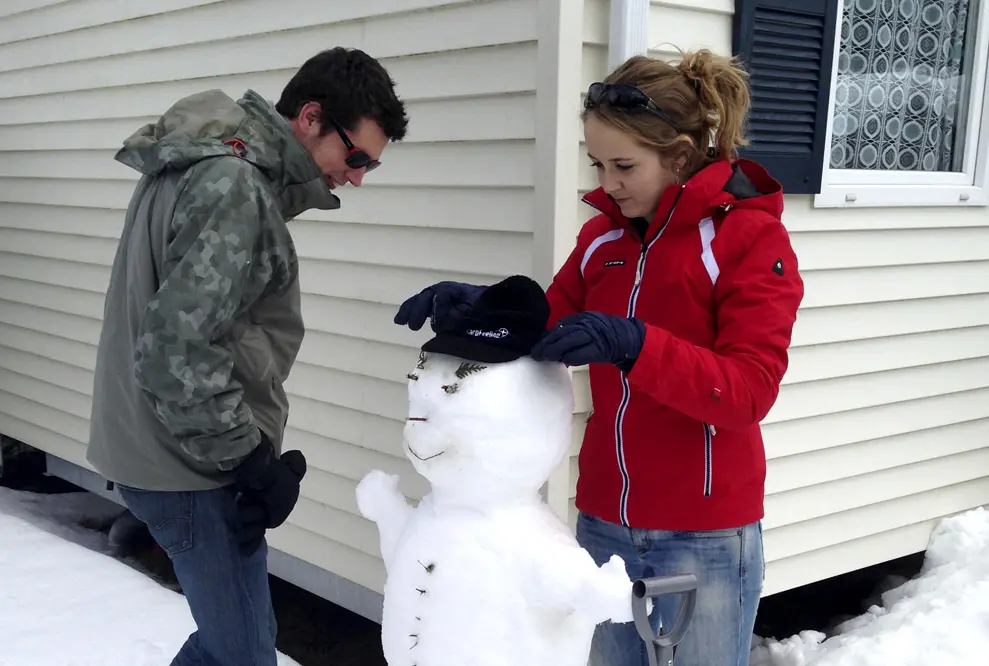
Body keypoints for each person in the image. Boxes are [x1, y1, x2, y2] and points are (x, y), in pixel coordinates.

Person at [393, 48, 804, 666]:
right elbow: (548, 324)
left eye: (624, 165)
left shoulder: (746, 238)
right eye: (597, 163)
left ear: (681, 156)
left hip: (704, 535)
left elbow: (749, 391)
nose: (606, 183)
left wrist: (636, 343)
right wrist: (477, 307)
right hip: (604, 524)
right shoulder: (603, 238)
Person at [86, 47, 408, 666]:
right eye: (357, 155)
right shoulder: (234, 188)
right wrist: (250, 463)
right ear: (310, 117)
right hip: (189, 468)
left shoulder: (202, 162)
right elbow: (177, 352)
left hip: (157, 449)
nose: (358, 176)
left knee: (230, 648)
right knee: (243, 656)